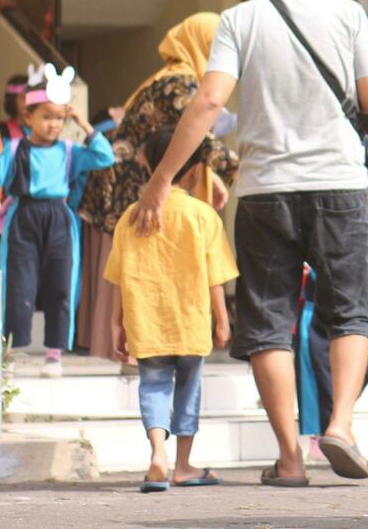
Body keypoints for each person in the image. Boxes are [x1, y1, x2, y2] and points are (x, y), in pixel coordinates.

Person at [131, 0, 368, 487]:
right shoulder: (348, 14)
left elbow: (206, 103)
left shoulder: (239, 19)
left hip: (266, 191)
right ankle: (341, 426)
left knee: (269, 321)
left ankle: (290, 459)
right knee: (349, 307)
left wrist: (163, 177)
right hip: (339, 185)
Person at [77, 15, 237, 360]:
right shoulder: (180, 82)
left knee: (130, 265)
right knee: (135, 265)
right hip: (131, 189)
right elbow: (200, 137)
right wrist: (246, 171)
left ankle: (135, 351)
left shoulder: (170, 76)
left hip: (122, 185)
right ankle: (137, 350)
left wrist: (216, 179)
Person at [106, 126, 237, 492]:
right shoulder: (202, 215)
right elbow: (216, 276)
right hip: (191, 319)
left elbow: (120, 275)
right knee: (188, 390)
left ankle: (157, 454)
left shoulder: (132, 216)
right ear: (195, 171)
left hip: (146, 319)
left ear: (152, 169)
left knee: (153, 386)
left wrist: (117, 324)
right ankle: (182, 465)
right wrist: (223, 320)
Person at [0, 78, 115, 376]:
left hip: (58, 218)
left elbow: (104, 156)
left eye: (59, 118)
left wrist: (83, 123)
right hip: (23, 218)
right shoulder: (14, 148)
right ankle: (11, 352)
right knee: (19, 285)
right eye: (46, 117)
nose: (54, 124)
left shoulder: (70, 151)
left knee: (61, 284)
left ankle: (55, 355)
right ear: (28, 117)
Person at [295, 268, 368, 446]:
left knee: (365, 371)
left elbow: (358, 285)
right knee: (322, 382)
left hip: (348, 320)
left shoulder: (353, 252)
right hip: (317, 324)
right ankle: (323, 434)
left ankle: (337, 419)